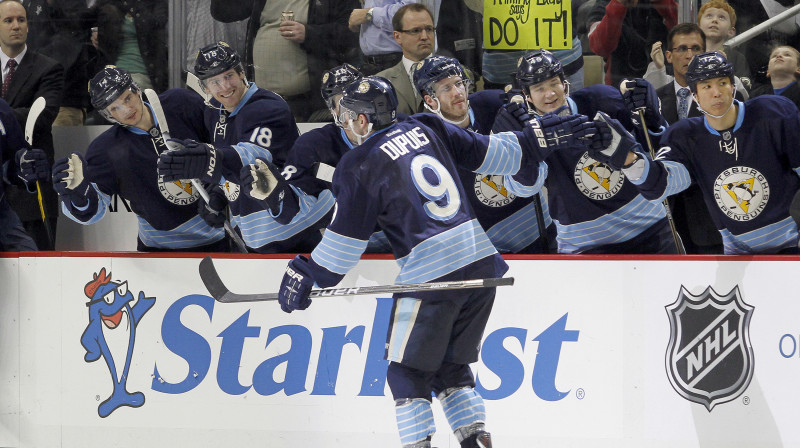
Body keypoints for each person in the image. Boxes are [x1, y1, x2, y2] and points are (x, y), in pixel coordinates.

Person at [266, 75, 590, 448]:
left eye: (347, 117)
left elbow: (339, 254)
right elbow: (497, 153)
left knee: (406, 375)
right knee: (451, 370)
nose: (346, 125)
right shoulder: (428, 125)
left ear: (362, 121)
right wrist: (534, 141)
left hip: (431, 275)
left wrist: (305, 273)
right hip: (482, 263)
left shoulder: (358, 164)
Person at [590, 51, 800, 254]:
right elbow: (660, 186)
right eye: (706, 86)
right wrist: (628, 158)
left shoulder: (773, 113)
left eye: (722, 83)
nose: (716, 92)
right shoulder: (686, 137)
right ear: (694, 94)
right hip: (739, 256)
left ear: (733, 86)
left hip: (793, 244)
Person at [491, 49, 678, 254]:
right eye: (539, 88)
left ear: (564, 83)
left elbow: (657, 150)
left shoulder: (601, 100)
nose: (550, 94)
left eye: (554, 83)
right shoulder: (529, 133)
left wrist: (651, 119)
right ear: (527, 96)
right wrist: (521, 152)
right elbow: (525, 189)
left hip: (649, 227)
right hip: (584, 247)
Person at [157, 42, 324, 253]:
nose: (225, 86)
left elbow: (252, 161)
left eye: (229, 76)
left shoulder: (268, 107)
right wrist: (219, 193)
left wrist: (208, 161)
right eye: (215, 81)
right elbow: (230, 169)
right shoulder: (215, 112)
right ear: (205, 88)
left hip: (295, 231)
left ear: (241, 73)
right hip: (252, 240)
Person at [52, 66, 227, 252]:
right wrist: (78, 196)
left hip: (221, 237)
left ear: (137, 90)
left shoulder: (181, 103)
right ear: (108, 115)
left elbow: (227, 148)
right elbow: (92, 213)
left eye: (127, 98)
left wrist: (220, 190)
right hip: (158, 254)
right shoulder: (104, 150)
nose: (127, 109)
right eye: (115, 108)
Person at [413, 55, 555, 253]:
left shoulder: (491, 104)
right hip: (490, 247)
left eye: (459, 83)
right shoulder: (428, 138)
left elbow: (535, 156)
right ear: (429, 99)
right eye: (446, 88)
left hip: (539, 229)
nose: (457, 93)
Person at [210, 0, 359, 122]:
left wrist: (309, 34)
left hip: (308, 105)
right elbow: (224, 12)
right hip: (260, 100)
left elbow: (351, 33)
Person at [0, 0, 64, 250]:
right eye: (8, 20)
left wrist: (2, 114)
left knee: (38, 278)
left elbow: (41, 116)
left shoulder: (49, 68)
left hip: (32, 193)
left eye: (21, 20)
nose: (16, 25)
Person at [587, 0, 677, 87]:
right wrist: (617, 5)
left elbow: (685, 32)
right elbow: (600, 47)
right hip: (622, 84)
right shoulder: (604, 4)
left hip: (664, 79)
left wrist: (662, 3)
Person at [90, 0, 168, 92]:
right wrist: (94, 30)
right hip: (112, 72)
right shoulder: (110, 4)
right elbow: (86, 18)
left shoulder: (155, 4)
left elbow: (158, 23)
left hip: (141, 72)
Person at [0, 97, 45, 251]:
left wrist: (25, 168)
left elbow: (11, 166)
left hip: (2, 214)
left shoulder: (2, 110)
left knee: (28, 257)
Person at [376, 3, 436, 115]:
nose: (424, 36)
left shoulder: (455, 74)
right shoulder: (381, 82)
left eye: (429, 29)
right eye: (416, 31)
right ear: (397, 37)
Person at [750, 45, 800, 111]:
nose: (778, 56)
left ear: (798, 69)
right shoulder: (756, 95)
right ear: (768, 71)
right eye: (774, 56)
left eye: (787, 55)